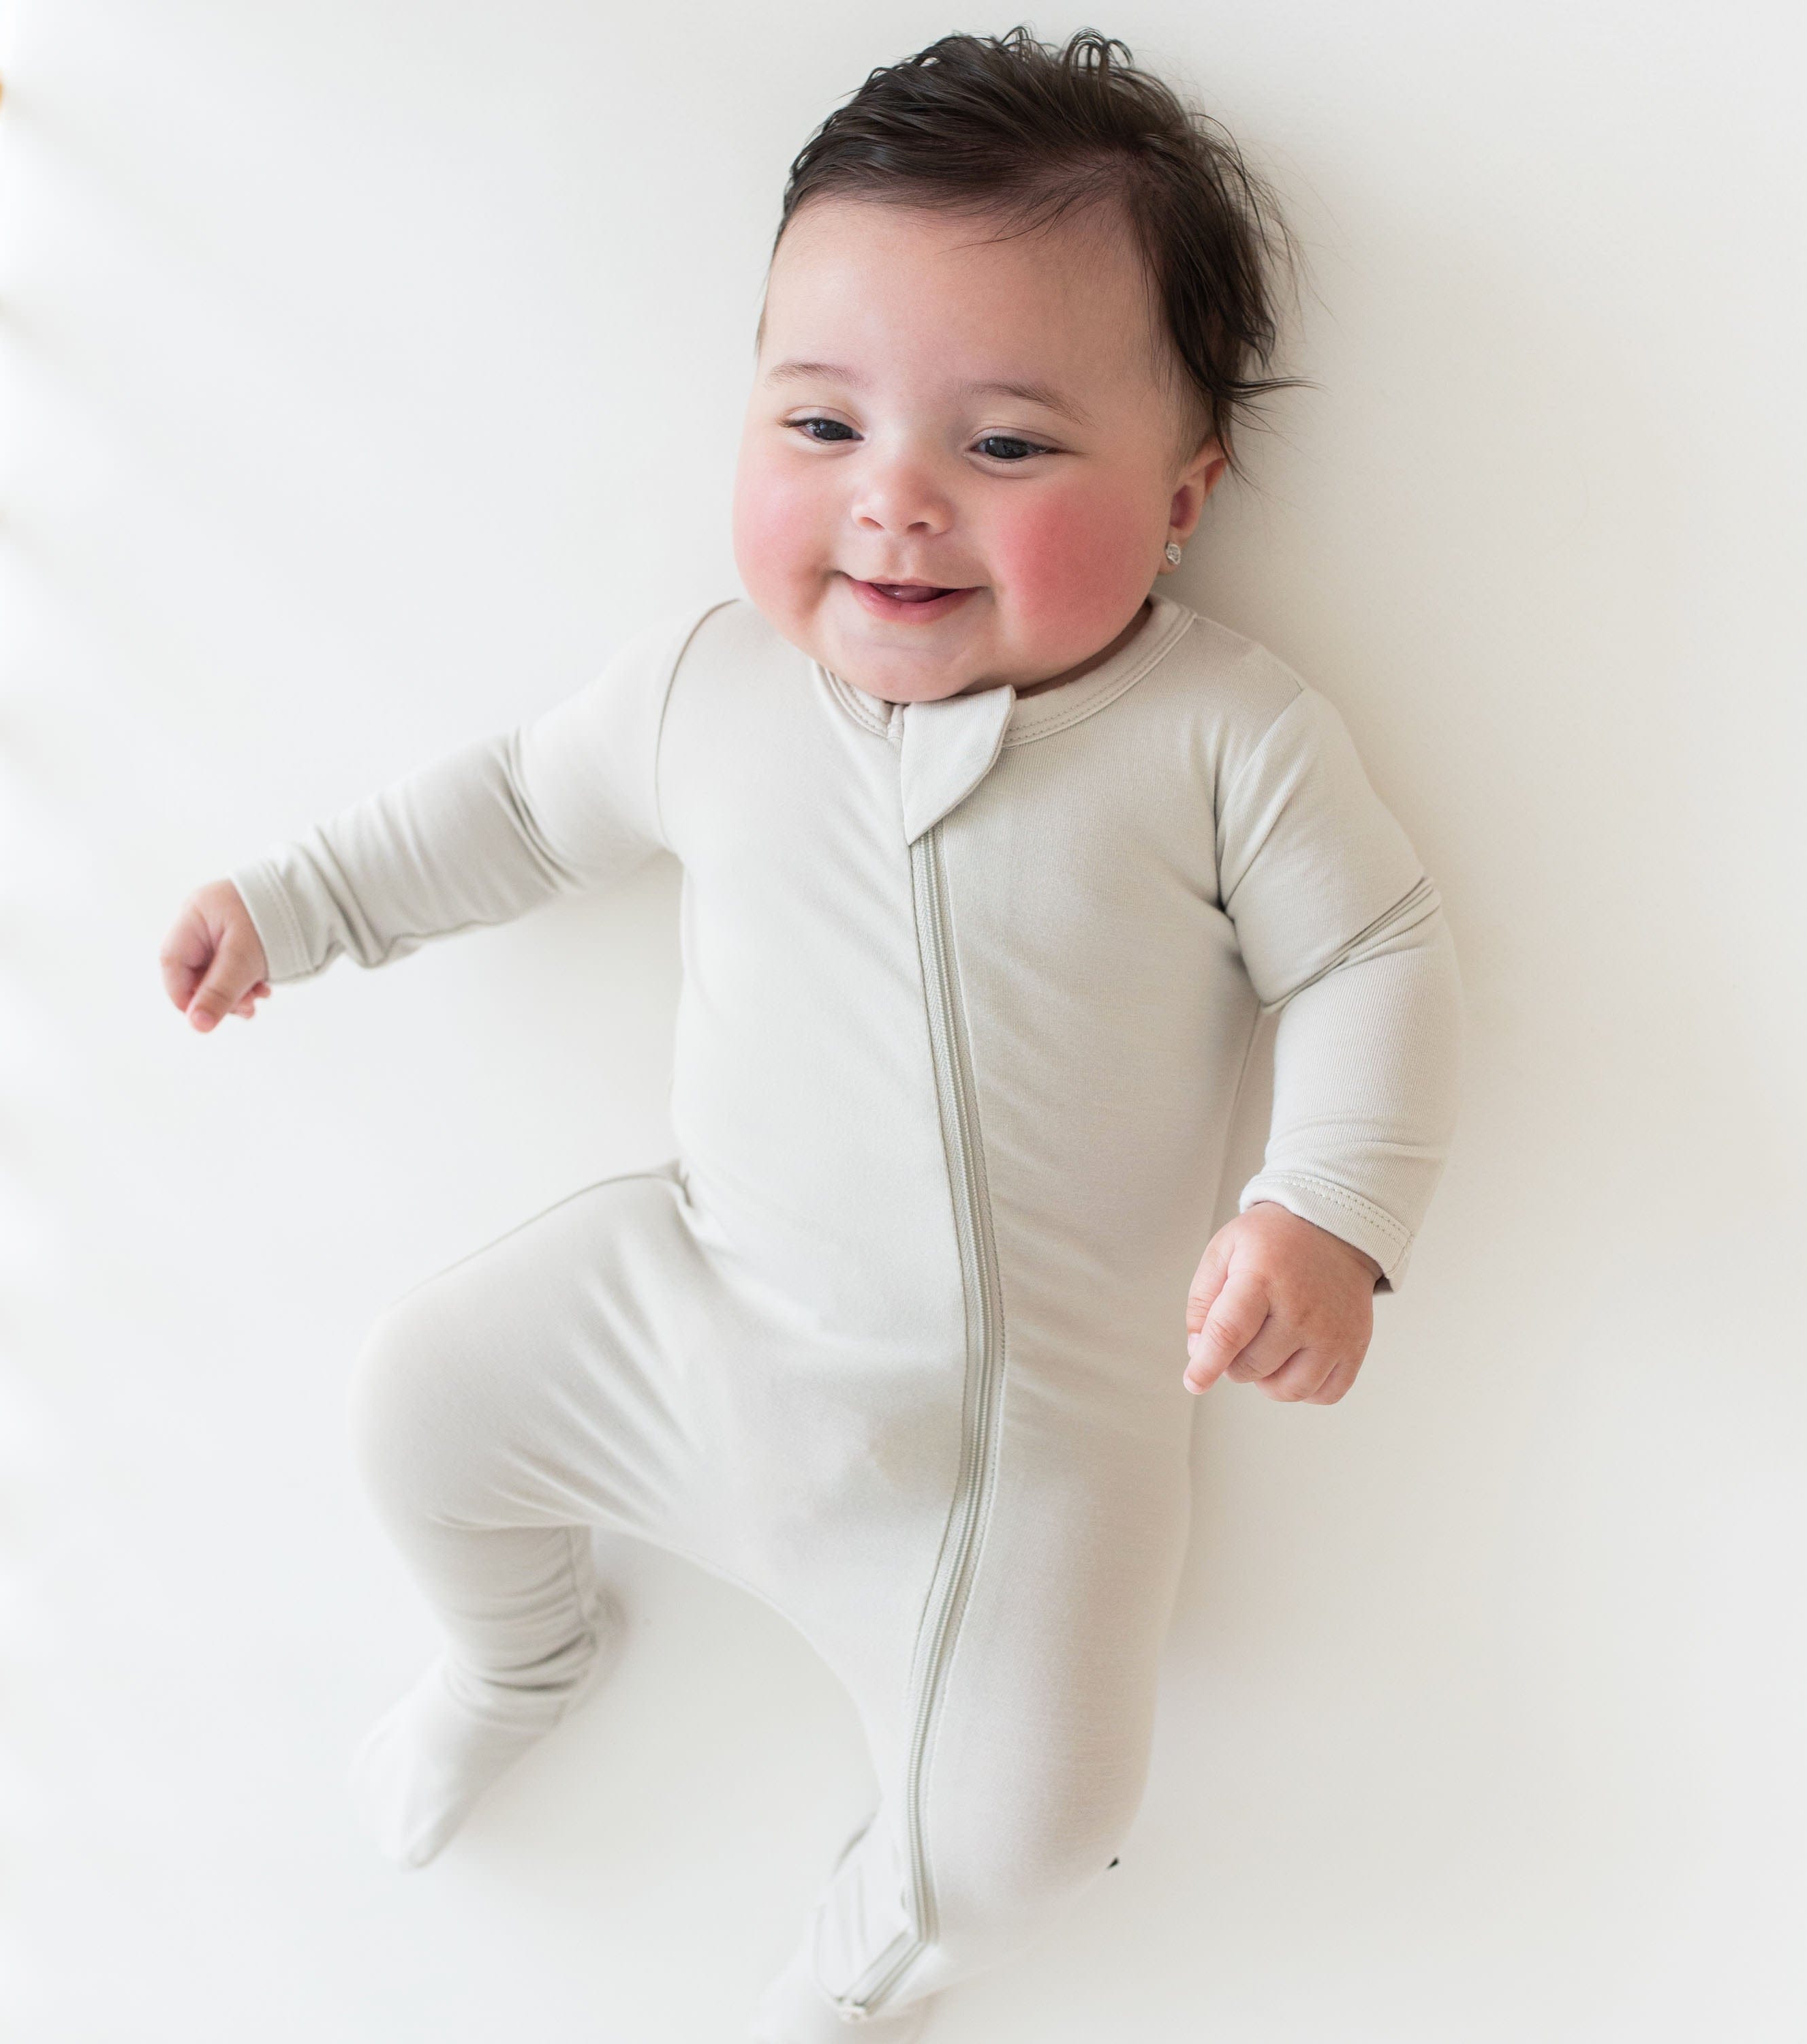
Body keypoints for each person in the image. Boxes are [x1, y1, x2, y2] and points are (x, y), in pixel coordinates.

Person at [157, 27, 1466, 2041]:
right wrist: (298, 905)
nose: (896, 503)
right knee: (415, 1405)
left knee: (1031, 1842)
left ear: (1184, 496)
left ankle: (864, 1959)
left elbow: (1371, 952)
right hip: (693, 1326)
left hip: (1017, 1468)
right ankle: (518, 1655)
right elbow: (516, 812)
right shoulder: (713, 689)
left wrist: (1327, 1213)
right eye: (822, 424)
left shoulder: (1222, 739)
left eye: (1006, 447)